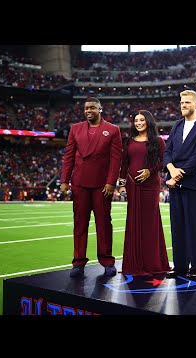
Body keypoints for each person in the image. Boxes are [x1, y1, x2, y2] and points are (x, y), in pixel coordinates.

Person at [60, 97, 122, 277]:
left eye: (92, 108)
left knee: (104, 224)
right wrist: (65, 180)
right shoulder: (75, 129)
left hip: (102, 186)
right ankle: (78, 262)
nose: (89, 111)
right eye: (86, 108)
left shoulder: (113, 130)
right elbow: (69, 156)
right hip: (79, 183)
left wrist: (111, 182)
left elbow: (116, 159)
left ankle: (107, 260)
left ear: (100, 109)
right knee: (80, 224)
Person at [163, 89, 196, 280]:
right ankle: (180, 266)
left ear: (195, 104)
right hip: (173, 183)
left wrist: (175, 176)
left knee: (193, 226)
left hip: (190, 183)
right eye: (181, 102)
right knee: (177, 226)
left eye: (186, 102)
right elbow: (167, 152)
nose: (183, 105)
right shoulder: (176, 125)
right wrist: (170, 169)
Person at [118, 110, 171, 276]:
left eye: (142, 120)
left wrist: (150, 171)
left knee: (150, 224)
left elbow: (163, 162)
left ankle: (152, 264)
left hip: (151, 186)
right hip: (133, 186)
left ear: (148, 121)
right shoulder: (129, 142)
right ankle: (134, 264)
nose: (138, 123)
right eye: (136, 120)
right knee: (133, 223)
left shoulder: (158, 142)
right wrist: (122, 184)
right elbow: (124, 164)